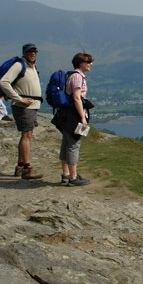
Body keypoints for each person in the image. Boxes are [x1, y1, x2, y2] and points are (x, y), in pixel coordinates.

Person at [0, 43, 43, 179]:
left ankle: (20, 166)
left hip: (31, 105)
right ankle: (27, 169)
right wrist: (19, 99)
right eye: (30, 51)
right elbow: (4, 82)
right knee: (27, 136)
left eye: (35, 51)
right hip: (24, 107)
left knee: (26, 135)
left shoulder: (32, 67)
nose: (33, 53)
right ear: (24, 52)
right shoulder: (19, 65)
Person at [56, 52, 94, 187]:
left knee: (66, 144)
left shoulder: (71, 75)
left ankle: (66, 175)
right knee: (73, 145)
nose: (91, 64)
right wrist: (82, 117)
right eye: (88, 61)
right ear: (80, 63)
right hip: (74, 115)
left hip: (66, 114)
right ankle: (73, 177)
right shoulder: (78, 77)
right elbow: (77, 97)